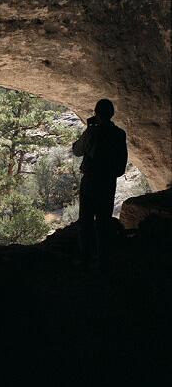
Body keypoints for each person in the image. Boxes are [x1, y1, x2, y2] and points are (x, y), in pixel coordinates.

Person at [72, 99, 127, 273]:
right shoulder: (119, 134)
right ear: (112, 114)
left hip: (90, 181)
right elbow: (121, 163)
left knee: (86, 221)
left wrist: (89, 129)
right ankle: (103, 262)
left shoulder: (92, 133)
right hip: (108, 182)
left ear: (96, 112)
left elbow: (77, 150)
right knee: (104, 222)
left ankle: (85, 259)